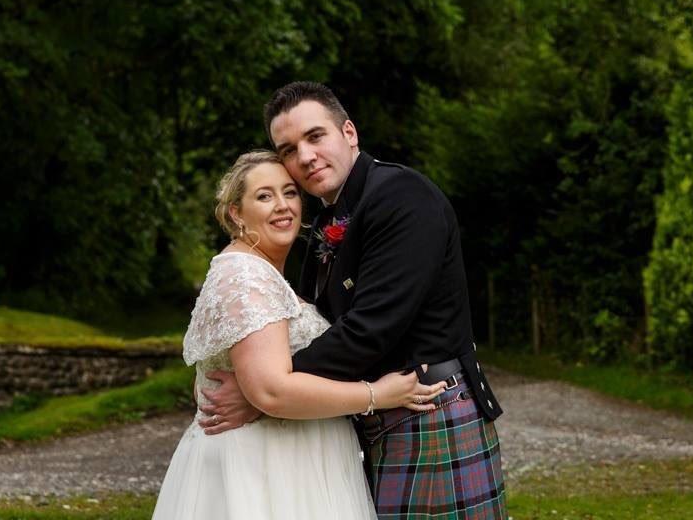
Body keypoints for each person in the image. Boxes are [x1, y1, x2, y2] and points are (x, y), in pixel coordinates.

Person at [201, 82, 507, 519]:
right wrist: (272, 388)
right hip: (379, 417)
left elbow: (371, 330)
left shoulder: (401, 197)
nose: (304, 156)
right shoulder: (331, 217)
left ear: (349, 133)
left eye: (315, 136)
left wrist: (264, 393)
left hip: (429, 411)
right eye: (288, 149)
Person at [152, 150, 447, 520]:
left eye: (289, 193)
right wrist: (378, 395)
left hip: (289, 457)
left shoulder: (264, 272)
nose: (282, 206)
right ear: (236, 214)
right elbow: (273, 390)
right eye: (264, 196)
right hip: (264, 467)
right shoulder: (246, 277)